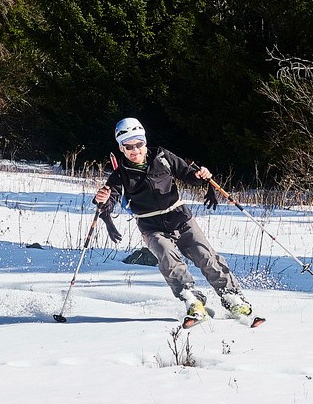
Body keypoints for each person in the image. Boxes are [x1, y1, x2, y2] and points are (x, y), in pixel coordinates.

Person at [92, 117, 254, 326]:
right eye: (128, 146)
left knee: (206, 256)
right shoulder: (120, 174)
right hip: (151, 227)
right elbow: (110, 199)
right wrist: (102, 200)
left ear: (144, 142)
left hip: (180, 217)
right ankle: (192, 299)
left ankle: (232, 298)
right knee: (168, 259)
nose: (135, 150)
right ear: (121, 148)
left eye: (139, 144)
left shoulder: (162, 156)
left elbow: (187, 173)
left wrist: (201, 175)